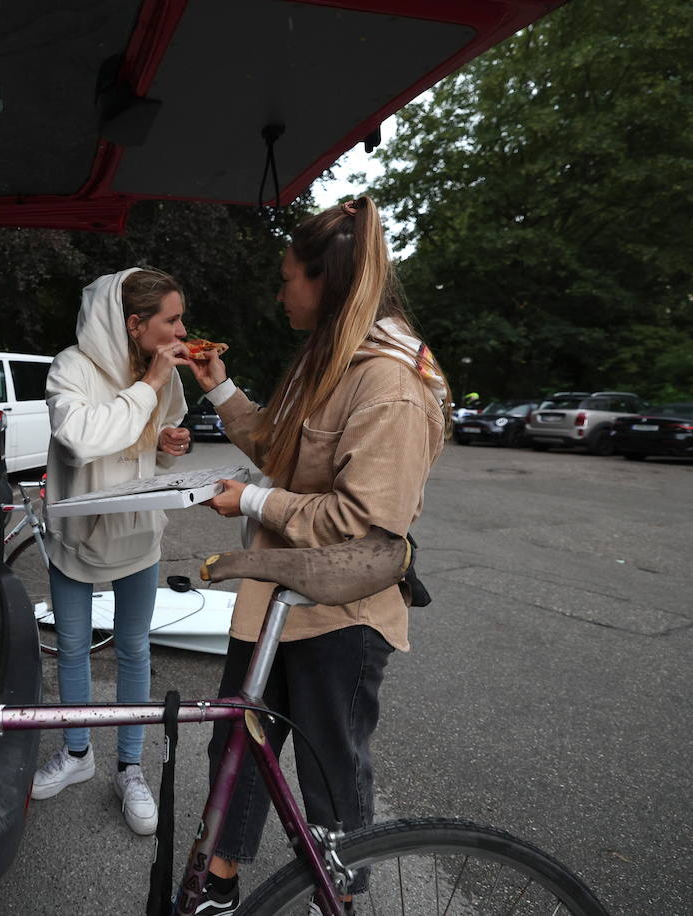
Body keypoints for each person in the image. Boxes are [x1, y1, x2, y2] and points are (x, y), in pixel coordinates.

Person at [187, 197, 450, 914]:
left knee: (330, 767)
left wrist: (250, 502)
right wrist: (219, 387)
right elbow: (281, 448)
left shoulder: (388, 381)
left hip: (340, 611)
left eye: (287, 279)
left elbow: (367, 523)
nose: (280, 293)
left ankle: (338, 895)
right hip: (274, 598)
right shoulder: (326, 359)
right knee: (237, 741)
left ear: (325, 283)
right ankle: (218, 881)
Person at [30, 267, 192, 836]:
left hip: (139, 533)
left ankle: (130, 766)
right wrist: (149, 383)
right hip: (78, 532)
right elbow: (82, 438)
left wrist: (171, 443)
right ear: (135, 323)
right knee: (72, 647)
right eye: (171, 319)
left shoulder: (164, 375)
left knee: (133, 649)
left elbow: (159, 443)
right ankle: (77, 754)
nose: (180, 329)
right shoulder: (71, 366)